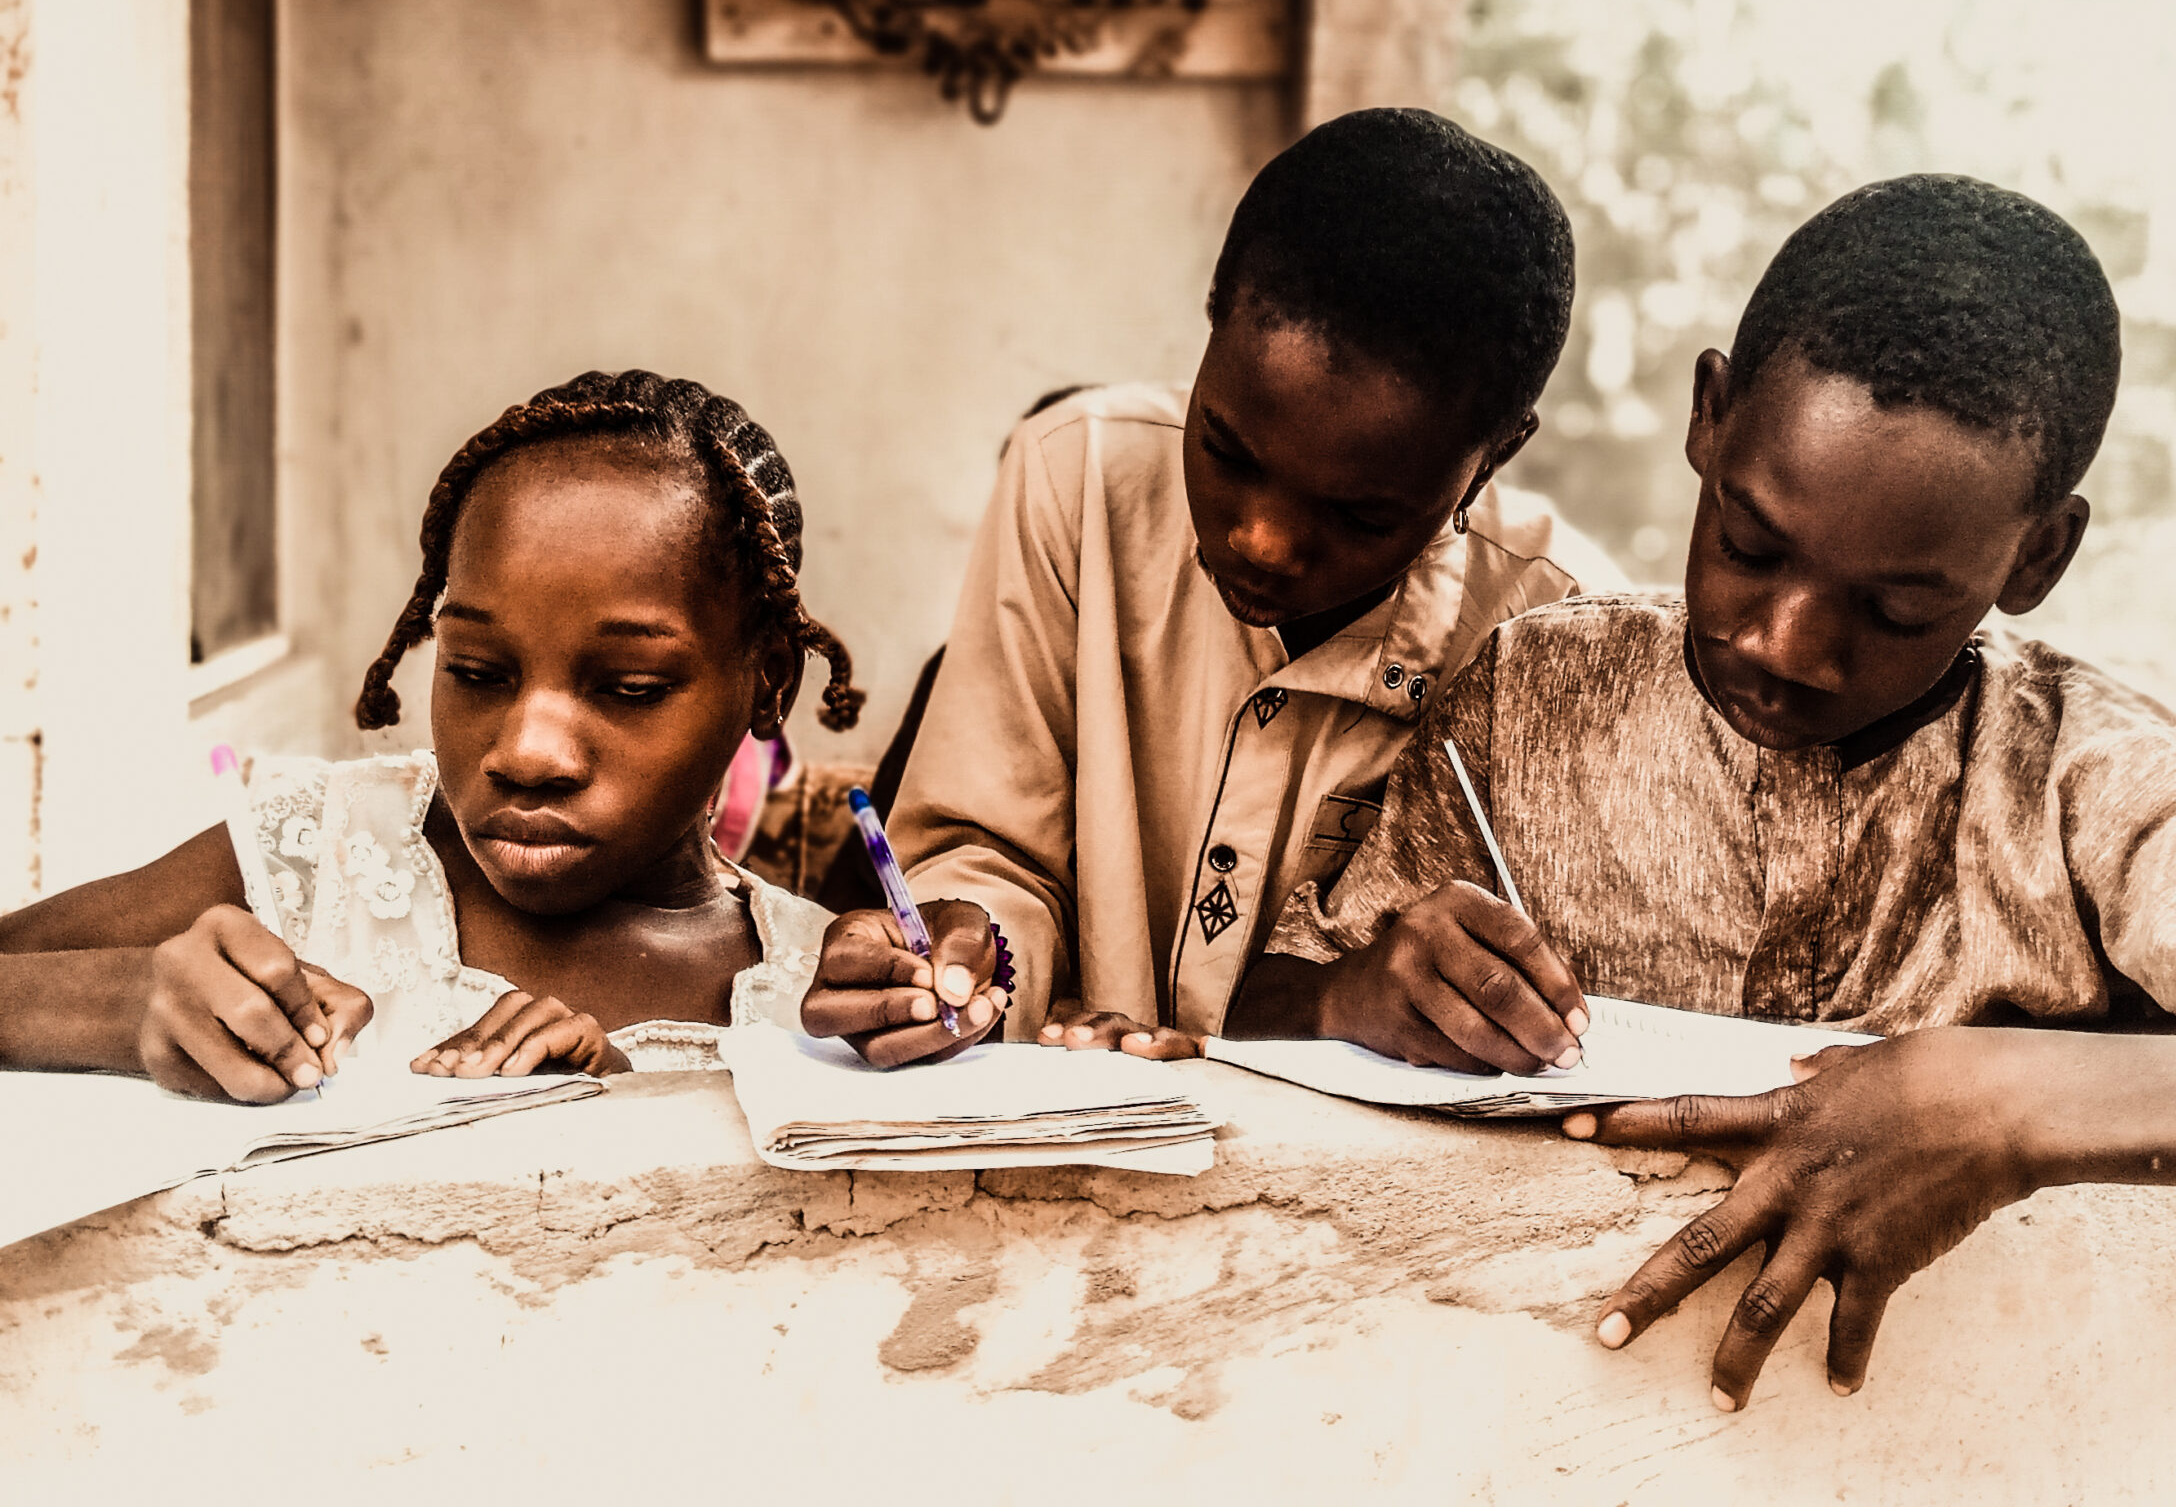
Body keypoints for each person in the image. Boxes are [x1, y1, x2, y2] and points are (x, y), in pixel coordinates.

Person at [1228, 173, 2176, 1410]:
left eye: (1900, 605)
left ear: (2037, 556)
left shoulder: (2089, 787)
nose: (1784, 644)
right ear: (1710, 416)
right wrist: (1358, 998)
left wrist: (2011, 1105)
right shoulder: (1533, 694)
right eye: (1749, 545)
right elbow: (1265, 1016)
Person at [799, 109, 1619, 1068]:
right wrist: (967, 944)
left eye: (1359, 517)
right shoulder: (1080, 477)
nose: (1263, 542)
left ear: (1493, 458)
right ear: (1214, 312)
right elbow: (989, 849)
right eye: (1227, 451)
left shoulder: (1554, 635)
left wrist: (1349, 1008)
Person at [0, 370, 866, 1094]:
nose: (528, 753)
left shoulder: (823, 997)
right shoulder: (330, 852)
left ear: (769, 682)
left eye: (630, 688)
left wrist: (616, 1109)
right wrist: (128, 998)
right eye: (478, 673)